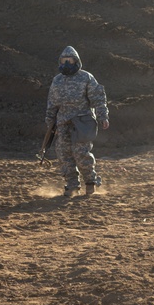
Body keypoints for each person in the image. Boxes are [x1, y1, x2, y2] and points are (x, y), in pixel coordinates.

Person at [45, 46, 110, 197]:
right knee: (64, 154)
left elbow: (99, 99)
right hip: (63, 123)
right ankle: (72, 186)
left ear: (76, 61)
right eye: (63, 60)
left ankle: (90, 183)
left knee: (81, 154)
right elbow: (52, 102)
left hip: (82, 122)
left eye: (70, 60)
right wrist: (50, 120)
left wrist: (103, 116)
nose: (66, 63)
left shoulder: (86, 78)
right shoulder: (57, 80)